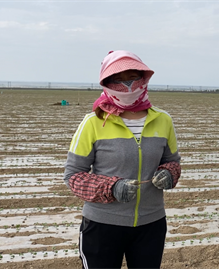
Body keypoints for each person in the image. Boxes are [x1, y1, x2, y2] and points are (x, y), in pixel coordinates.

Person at [63, 50, 181, 269]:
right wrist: (111, 187)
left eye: (133, 78)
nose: (127, 86)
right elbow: (73, 176)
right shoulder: (92, 123)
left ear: (143, 79)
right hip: (102, 225)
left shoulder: (163, 120)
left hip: (151, 224)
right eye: (119, 80)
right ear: (107, 83)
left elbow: (173, 162)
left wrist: (169, 173)